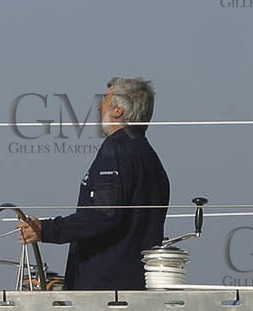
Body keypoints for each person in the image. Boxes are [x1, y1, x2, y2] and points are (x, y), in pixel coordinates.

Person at [17, 78, 169, 291]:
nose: (99, 107)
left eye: (105, 99)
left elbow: (104, 214)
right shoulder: (151, 159)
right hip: (135, 285)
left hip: (106, 289)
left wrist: (46, 229)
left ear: (117, 110)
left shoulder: (116, 150)